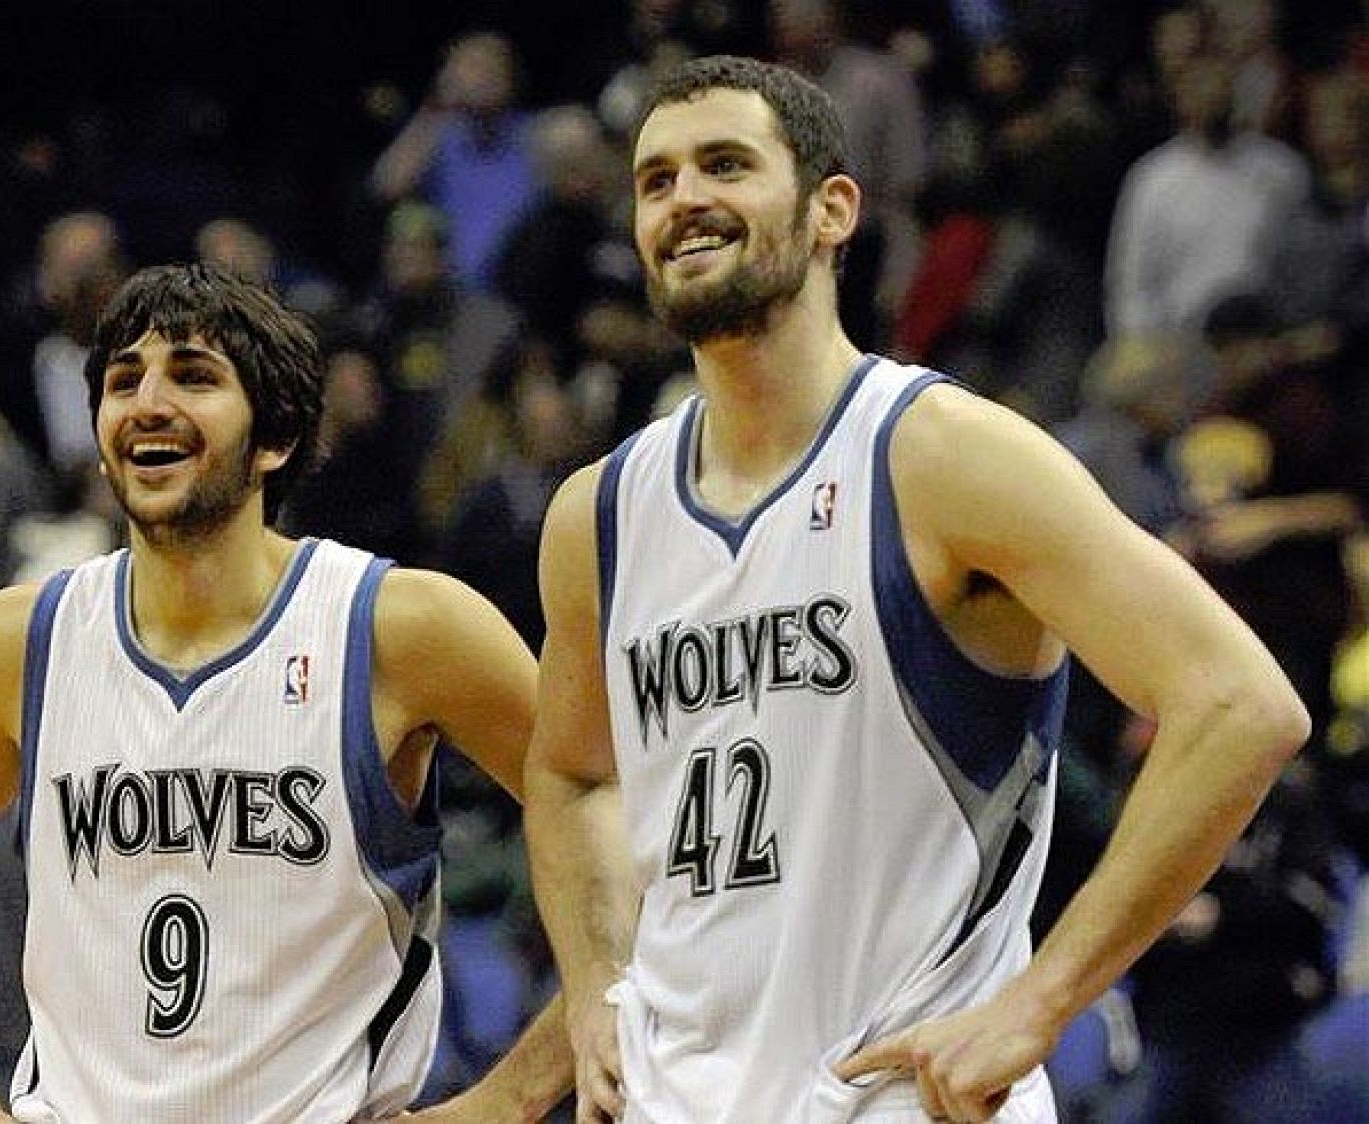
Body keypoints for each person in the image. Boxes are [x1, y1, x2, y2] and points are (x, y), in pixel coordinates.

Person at [522, 56, 1311, 1124]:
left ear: (831, 209)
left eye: (724, 165)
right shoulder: (598, 513)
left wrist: (1044, 998)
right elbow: (572, 775)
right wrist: (592, 985)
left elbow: (1239, 705)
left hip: (897, 1096)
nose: (684, 200)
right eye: (654, 180)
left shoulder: (940, 455)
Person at [0, 263, 571, 1122]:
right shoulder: (22, 642)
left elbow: (622, 833)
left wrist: (507, 1101)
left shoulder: (399, 628)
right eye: (124, 381)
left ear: (273, 438)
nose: (148, 402)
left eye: (194, 376)